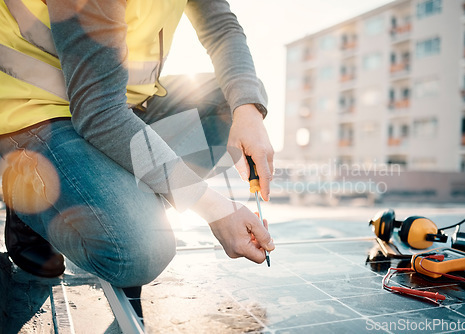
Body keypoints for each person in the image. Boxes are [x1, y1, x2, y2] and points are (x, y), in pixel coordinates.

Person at [0, 0, 275, 288]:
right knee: (141, 252)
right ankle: (31, 191)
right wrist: (213, 208)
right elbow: (99, 112)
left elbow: (222, 29)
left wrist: (247, 111)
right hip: (38, 110)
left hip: (125, 103)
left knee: (236, 99)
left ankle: (116, 193)